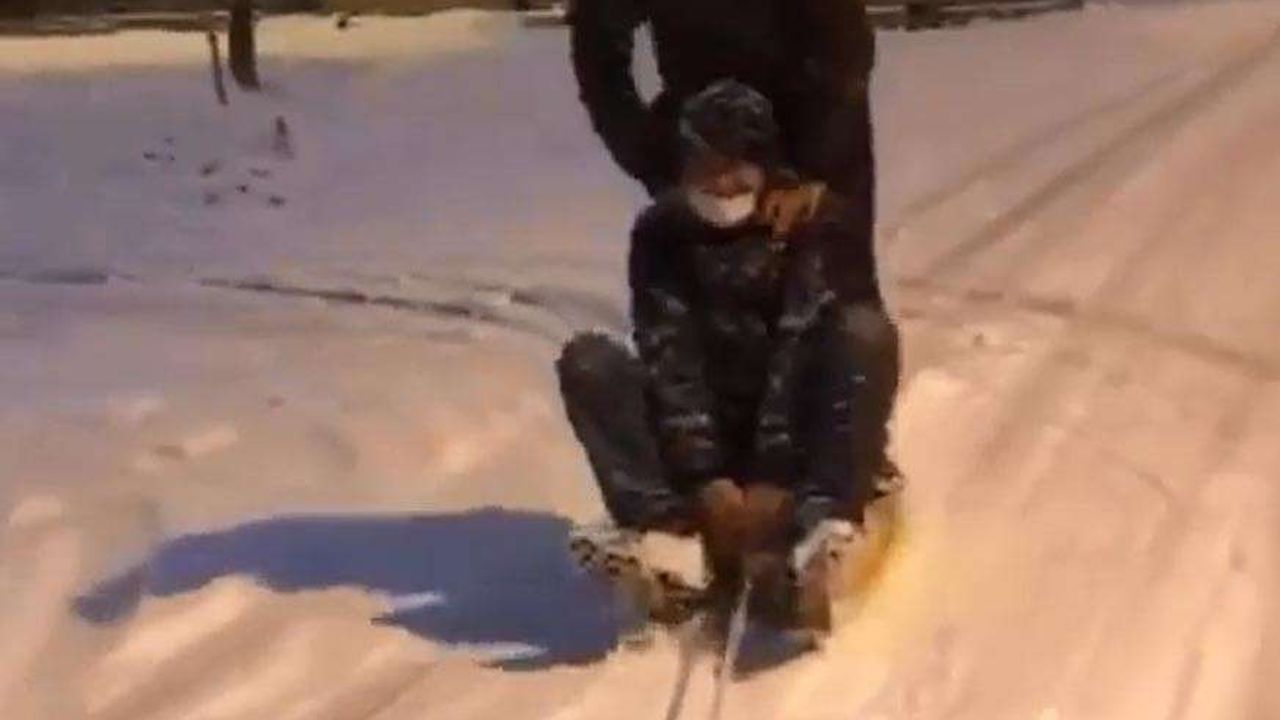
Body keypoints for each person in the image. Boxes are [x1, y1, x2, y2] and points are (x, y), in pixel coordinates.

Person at [558, 81, 899, 631]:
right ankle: (669, 533)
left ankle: (826, 528)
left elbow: (798, 349)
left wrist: (774, 478)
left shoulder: (809, 226)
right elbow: (670, 354)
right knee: (590, 362)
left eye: (735, 170)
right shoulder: (662, 235)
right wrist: (706, 479)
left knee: (864, 336)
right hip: (712, 435)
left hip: (800, 440)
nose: (720, 186)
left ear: (764, 167)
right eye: (705, 170)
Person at [569, 0, 876, 240]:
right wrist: (650, 154)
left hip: (810, 134)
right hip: (703, 145)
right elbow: (597, 39)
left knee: (829, 282)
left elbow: (845, 44)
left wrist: (813, 167)